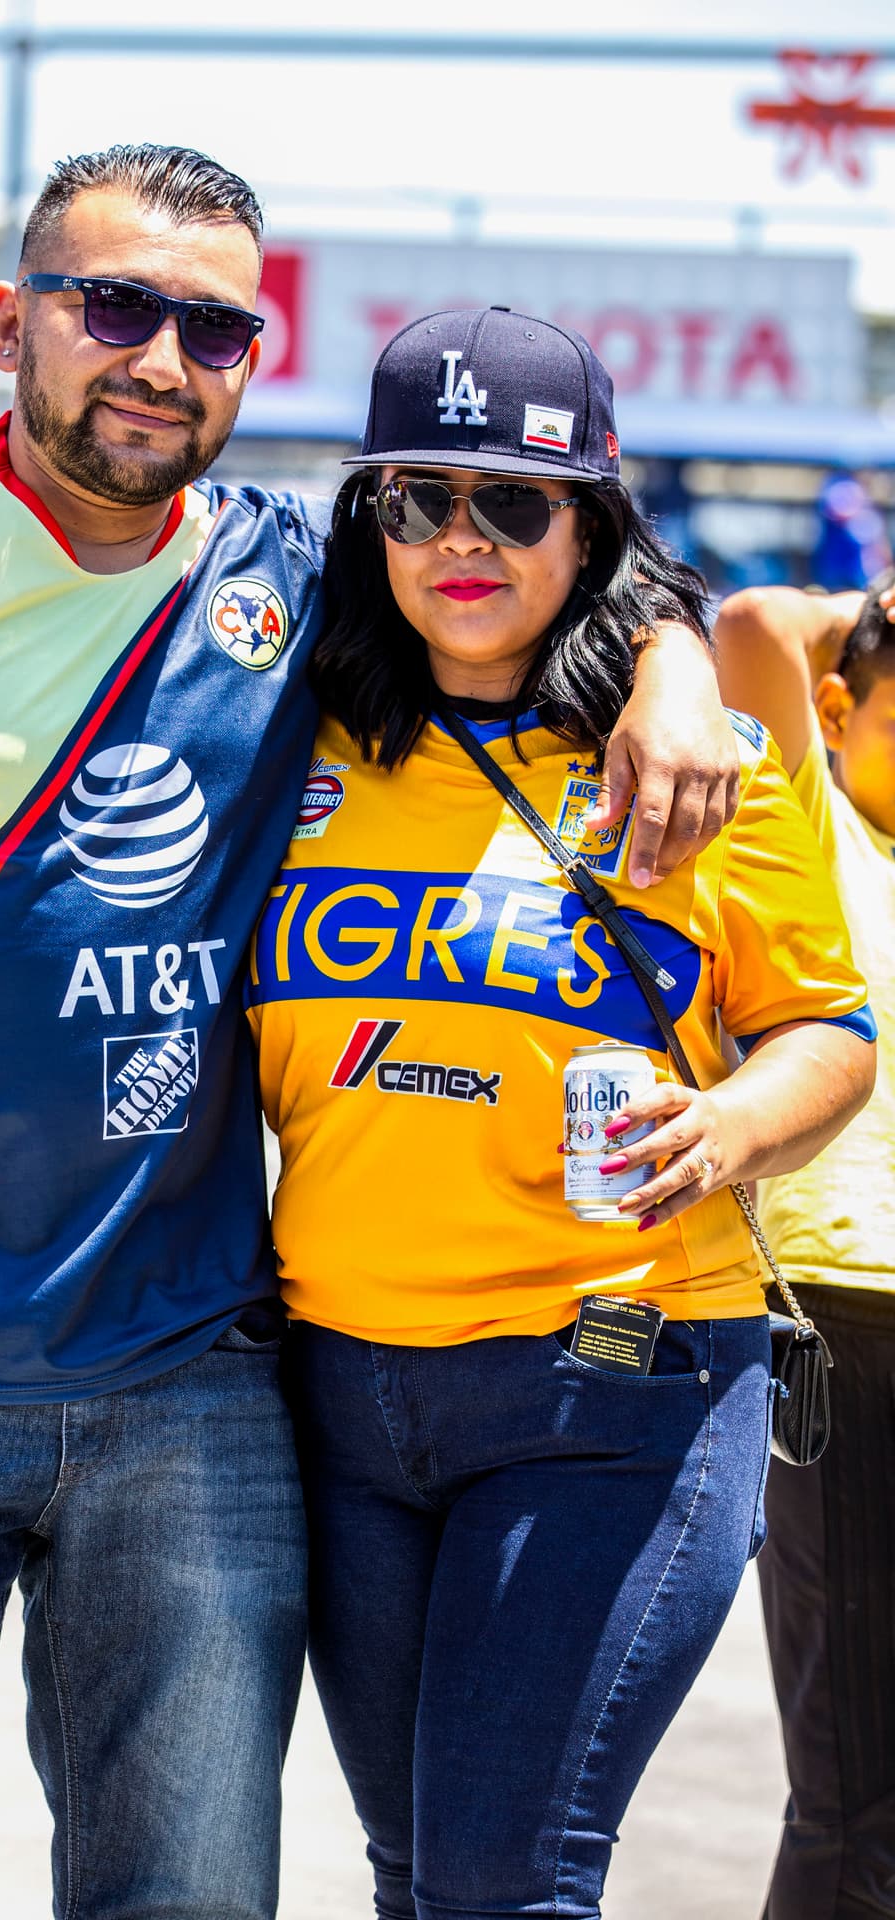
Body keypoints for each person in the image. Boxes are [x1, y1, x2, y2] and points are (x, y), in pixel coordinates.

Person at [0, 147, 739, 1920]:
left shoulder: (306, 576)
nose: (159, 356)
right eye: (114, 306)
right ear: (15, 324)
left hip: (198, 1388)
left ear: (253, 357)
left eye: (211, 326)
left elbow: (548, 562)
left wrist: (679, 652)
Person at [246, 306, 877, 1920]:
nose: (461, 539)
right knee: (417, 1873)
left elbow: (828, 1032)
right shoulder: (291, 735)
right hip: (341, 1392)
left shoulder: (702, 766)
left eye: (511, 503)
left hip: (614, 1385)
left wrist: (729, 1130)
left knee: (500, 1877)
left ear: (587, 526)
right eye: (416, 501)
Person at [717, 575, 895, 1920]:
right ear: (841, 712)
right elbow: (754, 628)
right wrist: (874, 600)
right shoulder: (808, 819)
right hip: (845, 1327)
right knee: (854, 1790)